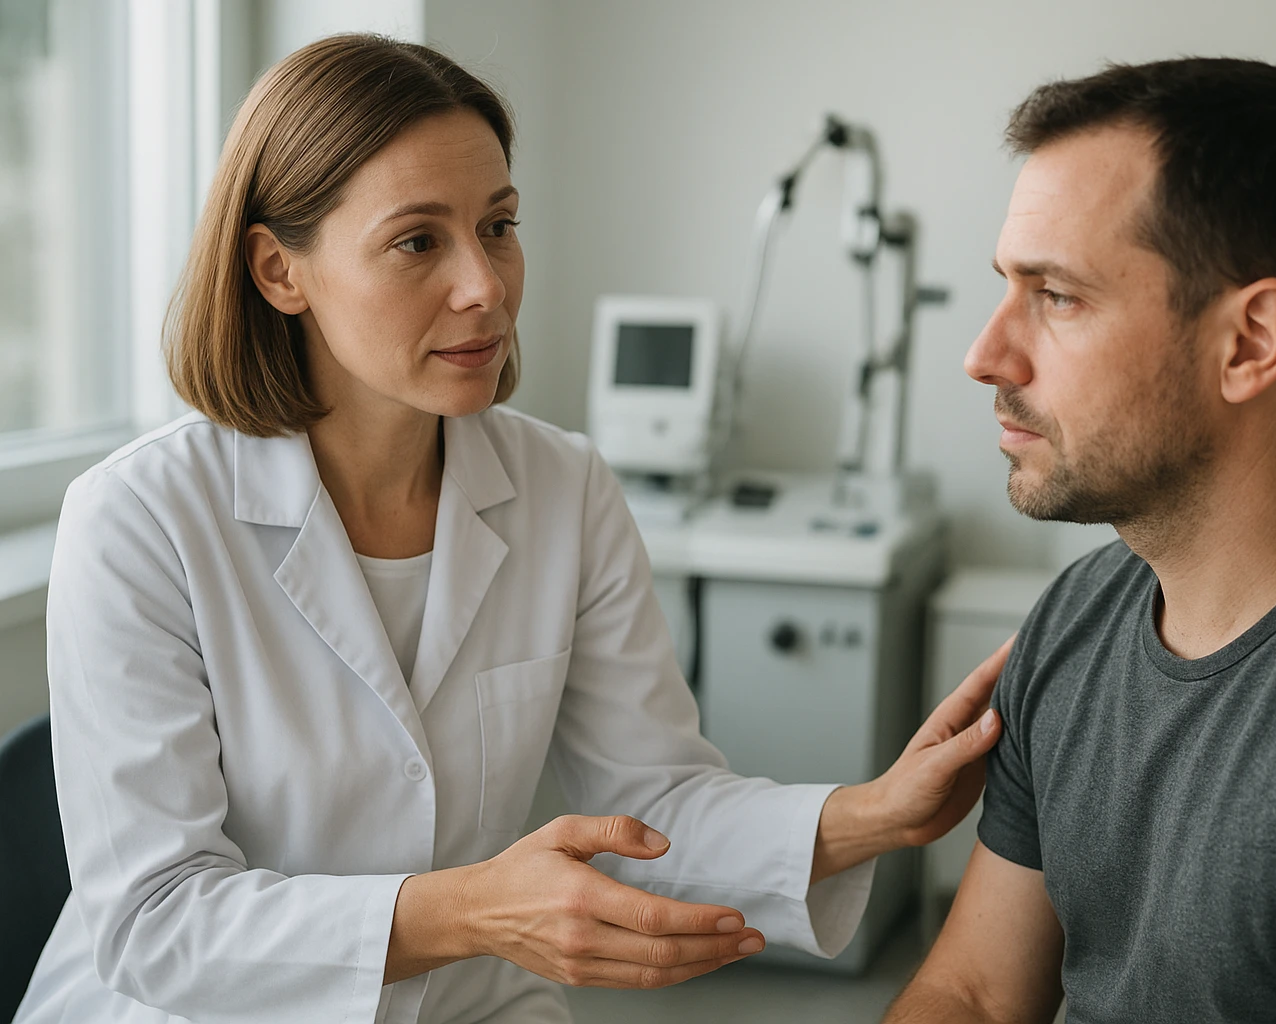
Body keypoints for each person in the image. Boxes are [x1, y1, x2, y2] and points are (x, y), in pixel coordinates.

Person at [16, 35, 1009, 1024]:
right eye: (418, 241)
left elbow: (651, 802)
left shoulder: (562, 487)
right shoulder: (141, 522)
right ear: (281, 271)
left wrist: (878, 812)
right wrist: (474, 911)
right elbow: (158, 921)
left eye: (498, 226)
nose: (485, 285)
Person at [885, 57, 1276, 1024]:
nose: (986, 355)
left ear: (1250, 343)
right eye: (1007, 288)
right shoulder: (1078, 615)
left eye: (1056, 296)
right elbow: (976, 993)